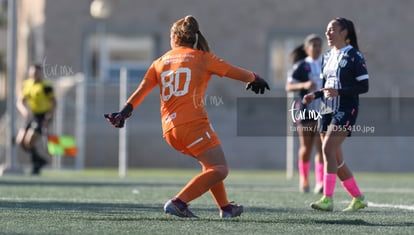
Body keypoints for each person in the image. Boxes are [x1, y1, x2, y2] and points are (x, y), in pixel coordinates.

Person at [105, 15, 269, 218]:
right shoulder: (202, 57)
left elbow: (141, 91)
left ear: (174, 38)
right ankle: (178, 202)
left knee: (209, 166)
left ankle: (225, 208)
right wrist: (256, 78)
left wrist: (123, 114)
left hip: (169, 130)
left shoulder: (159, 62)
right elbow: (232, 71)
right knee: (220, 168)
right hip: (193, 125)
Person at [303, 17, 369, 212]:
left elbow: (364, 86)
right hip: (326, 109)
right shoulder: (326, 57)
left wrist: (340, 92)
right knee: (335, 158)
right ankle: (358, 198)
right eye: (327, 30)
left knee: (327, 149)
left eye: (332, 29)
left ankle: (327, 198)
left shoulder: (354, 56)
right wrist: (314, 95)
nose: (328, 33)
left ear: (344, 32)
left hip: (345, 109)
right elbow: (327, 87)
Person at [285, 34, 324, 194]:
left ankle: (321, 182)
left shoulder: (326, 64)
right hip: (306, 112)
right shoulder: (301, 66)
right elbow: (288, 86)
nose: (316, 48)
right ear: (307, 48)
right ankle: (304, 179)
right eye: (313, 45)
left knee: (322, 148)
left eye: (319, 45)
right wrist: (305, 84)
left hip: (323, 111)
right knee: (306, 148)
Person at [16, 64, 56, 175]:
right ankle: (39, 161)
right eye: (33, 72)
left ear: (40, 73)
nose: (35, 74)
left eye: (37, 72)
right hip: (31, 115)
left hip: (42, 117)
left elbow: (54, 103)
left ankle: (37, 163)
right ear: (30, 72)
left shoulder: (46, 86)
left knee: (29, 141)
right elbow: (20, 102)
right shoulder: (26, 84)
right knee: (20, 141)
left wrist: (48, 117)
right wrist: (24, 111)